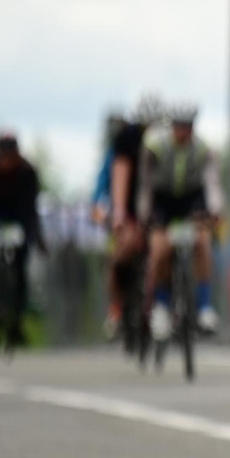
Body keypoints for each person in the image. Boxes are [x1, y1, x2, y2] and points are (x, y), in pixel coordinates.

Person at [140, 105, 223, 341]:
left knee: (202, 241)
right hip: (162, 200)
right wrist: (145, 213)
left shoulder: (203, 149)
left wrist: (215, 209)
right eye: (178, 127)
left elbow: (212, 182)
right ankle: (162, 307)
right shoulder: (155, 147)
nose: (183, 132)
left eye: (187, 127)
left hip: (191, 200)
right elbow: (145, 185)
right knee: (159, 249)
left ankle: (204, 307)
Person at [0, 131, 45, 345]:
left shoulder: (28, 172)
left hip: (18, 214)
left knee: (21, 262)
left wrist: (35, 235)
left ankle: (16, 319)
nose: (5, 162)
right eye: (2, 157)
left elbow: (31, 208)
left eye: (10, 157)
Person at [92, 107, 148, 339]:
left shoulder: (146, 151)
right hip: (118, 214)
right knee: (115, 258)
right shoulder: (113, 156)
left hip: (143, 212)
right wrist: (101, 210)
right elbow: (100, 189)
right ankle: (115, 309)